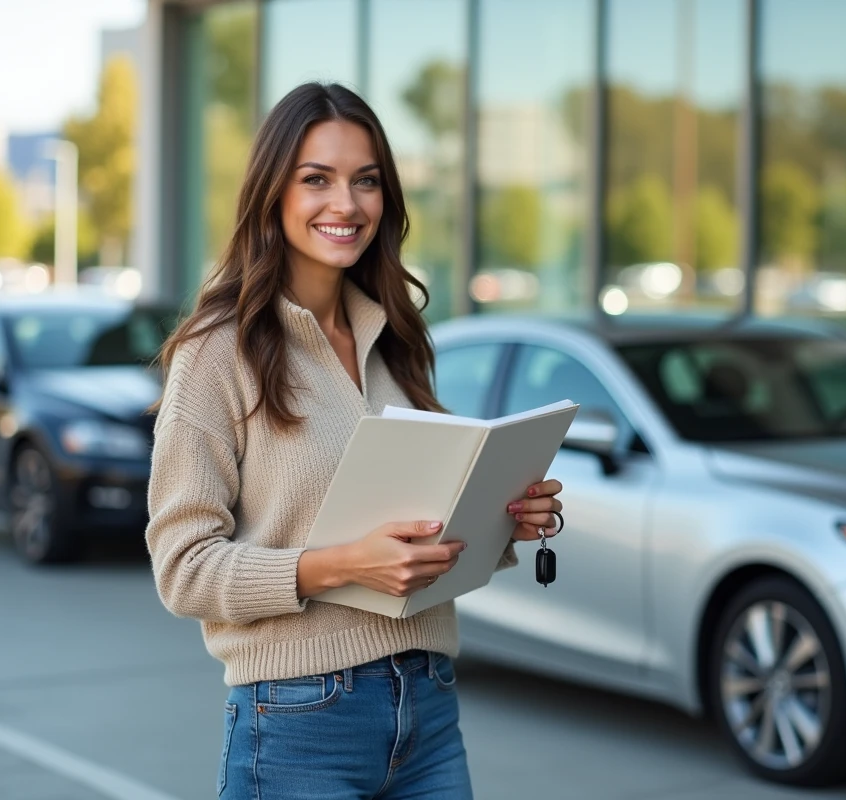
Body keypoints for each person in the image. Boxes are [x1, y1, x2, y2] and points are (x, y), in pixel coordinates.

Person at [145, 82, 564, 800]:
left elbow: (415, 542)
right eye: (317, 179)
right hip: (297, 719)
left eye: (366, 181)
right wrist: (339, 566)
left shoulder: (396, 340)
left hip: (427, 706)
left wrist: (504, 521)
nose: (347, 203)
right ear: (272, 194)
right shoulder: (218, 352)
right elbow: (182, 570)